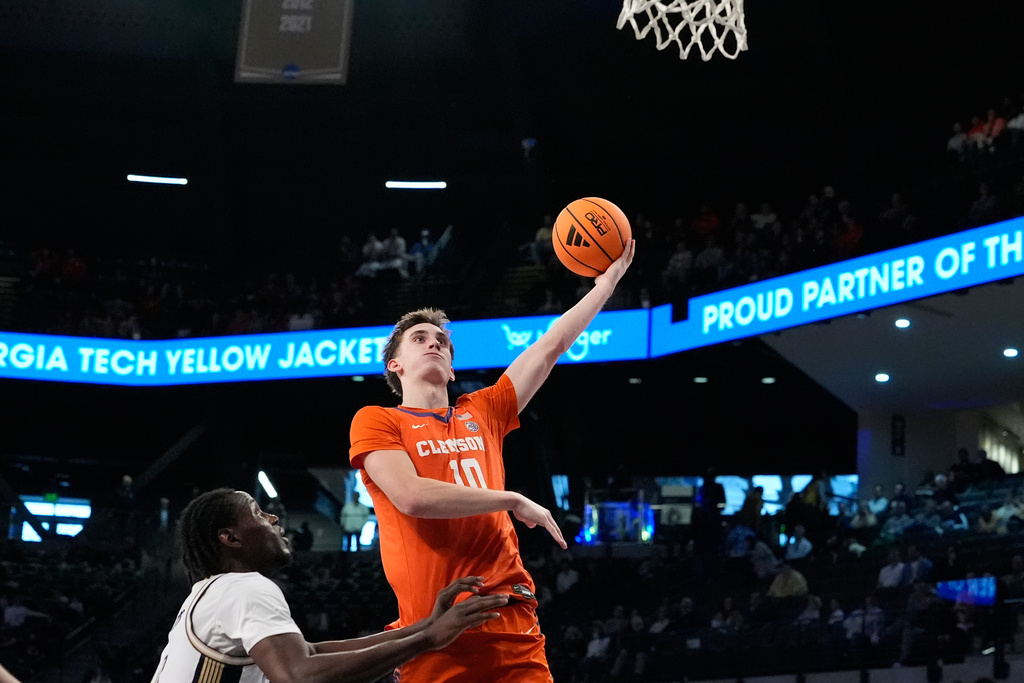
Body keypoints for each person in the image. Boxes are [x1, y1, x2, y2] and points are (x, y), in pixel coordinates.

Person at [348, 242, 635, 682]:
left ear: (452, 366)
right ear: (395, 365)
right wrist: (512, 499)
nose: (434, 344)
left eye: (442, 341)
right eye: (419, 338)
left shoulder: (482, 410)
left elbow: (550, 346)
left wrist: (605, 286)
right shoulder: (377, 420)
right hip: (432, 629)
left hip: (508, 615)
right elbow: (411, 496)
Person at [151, 488, 507, 683]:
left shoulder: (213, 592)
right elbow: (299, 676)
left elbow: (311, 654)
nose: (273, 517)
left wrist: (427, 626)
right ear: (230, 538)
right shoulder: (245, 588)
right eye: (258, 513)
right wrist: (429, 639)